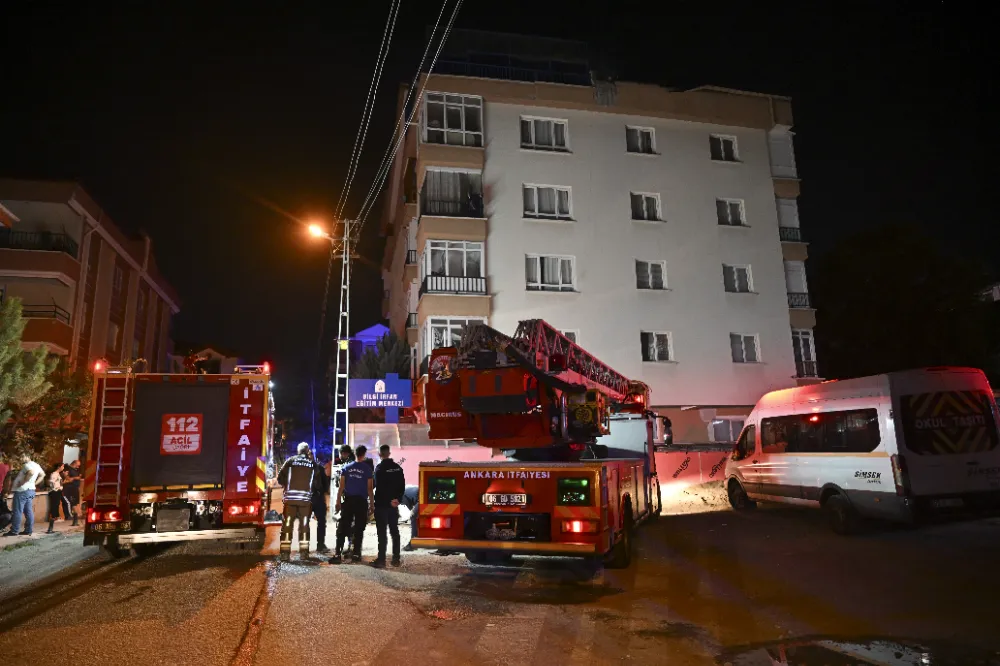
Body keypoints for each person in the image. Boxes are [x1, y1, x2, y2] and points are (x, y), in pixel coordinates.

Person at [330, 445, 373, 564]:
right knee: (359, 529)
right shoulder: (367, 469)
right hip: (361, 502)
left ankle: (338, 554)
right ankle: (356, 554)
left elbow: (341, 487)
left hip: (348, 501)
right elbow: (369, 489)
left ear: (355, 453)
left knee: (343, 527)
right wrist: (372, 505)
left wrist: (338, 502)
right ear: (364, 454)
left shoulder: (346, 467)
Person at [276, 443, 316, 560]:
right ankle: (304, 553)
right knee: (304, 525)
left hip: (290, 499)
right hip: (305, 500)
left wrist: (287, 486)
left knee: (287, 524)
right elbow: (317, 482)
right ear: (307, 451)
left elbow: (280, 478)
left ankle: (285, 553)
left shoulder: (290, 461)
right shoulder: (312, 464)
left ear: (298, 451)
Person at [372, 444, 405, 568]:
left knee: (382, 533)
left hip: (382, 505)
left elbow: (380, 488)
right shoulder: (397, 468)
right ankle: (396, 559)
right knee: (394, 532)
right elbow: (402, 486)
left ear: (380, 454)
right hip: (393, 505)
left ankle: (381, 560)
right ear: (389, 453)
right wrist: (397, 500)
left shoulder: (379, 469)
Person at [3, 454, 45, 537]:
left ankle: (14, 530)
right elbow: (42, 475)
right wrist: (34, 483)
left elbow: (31, 472)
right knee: (28, 511)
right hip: (30, 490)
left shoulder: (27, 465)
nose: (20, 459)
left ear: (27, 456)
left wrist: (23, 482)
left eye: (22, 457)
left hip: (22, 491)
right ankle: (28, 530)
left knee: (17, 511)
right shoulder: (36, 465)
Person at [311, 454, 331, 554]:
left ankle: (304, 547)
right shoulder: (319, 467)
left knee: (304, 522)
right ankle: (320, 545)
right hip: (318, 498)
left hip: (306, 498)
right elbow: (326, 484)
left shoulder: (302, 467)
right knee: (321, 522)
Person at [45, 463, 66, 534]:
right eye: (62, 466)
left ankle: (52, 525)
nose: (63, 467)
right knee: (54, 507)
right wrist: (56, 488)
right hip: (55, 492)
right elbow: (51, 482)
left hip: (58, 492)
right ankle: (50, 528)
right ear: (59, 467)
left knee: (56, 506)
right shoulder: (54, 474)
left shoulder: (58, 474)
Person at [62, 459, 81, 526]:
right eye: (77, 465)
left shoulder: (75, 470)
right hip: (69, 489)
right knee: (71, 502)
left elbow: (78, 477)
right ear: (74, 463)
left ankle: (76, 517)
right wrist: (75, 478)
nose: (78, 467)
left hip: (75, 488)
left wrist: (76, 478)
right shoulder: (67, 468)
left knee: (76, 503)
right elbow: (68, 478)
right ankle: (71, 516)